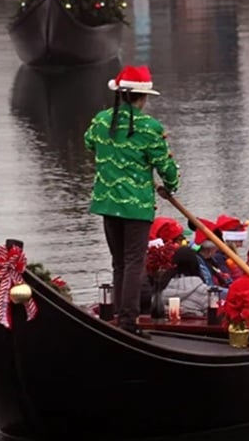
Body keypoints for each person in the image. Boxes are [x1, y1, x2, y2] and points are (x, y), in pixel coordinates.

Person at [84, 64, 180, 334]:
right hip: (136, 207)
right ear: (143, 97)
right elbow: (165, 167)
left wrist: (113, 154)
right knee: (134, 262)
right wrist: (172, 186)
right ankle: (128, 322)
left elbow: (89, 143)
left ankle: (119, 316)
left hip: (107, 202)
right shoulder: (149, 127)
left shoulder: (102, 120)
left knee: (119, 262)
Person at [159, 246, 210, 319]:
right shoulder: (203, 290)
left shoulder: (163, 286)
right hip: (196, 325)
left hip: (165, 325)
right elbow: (211, 315)